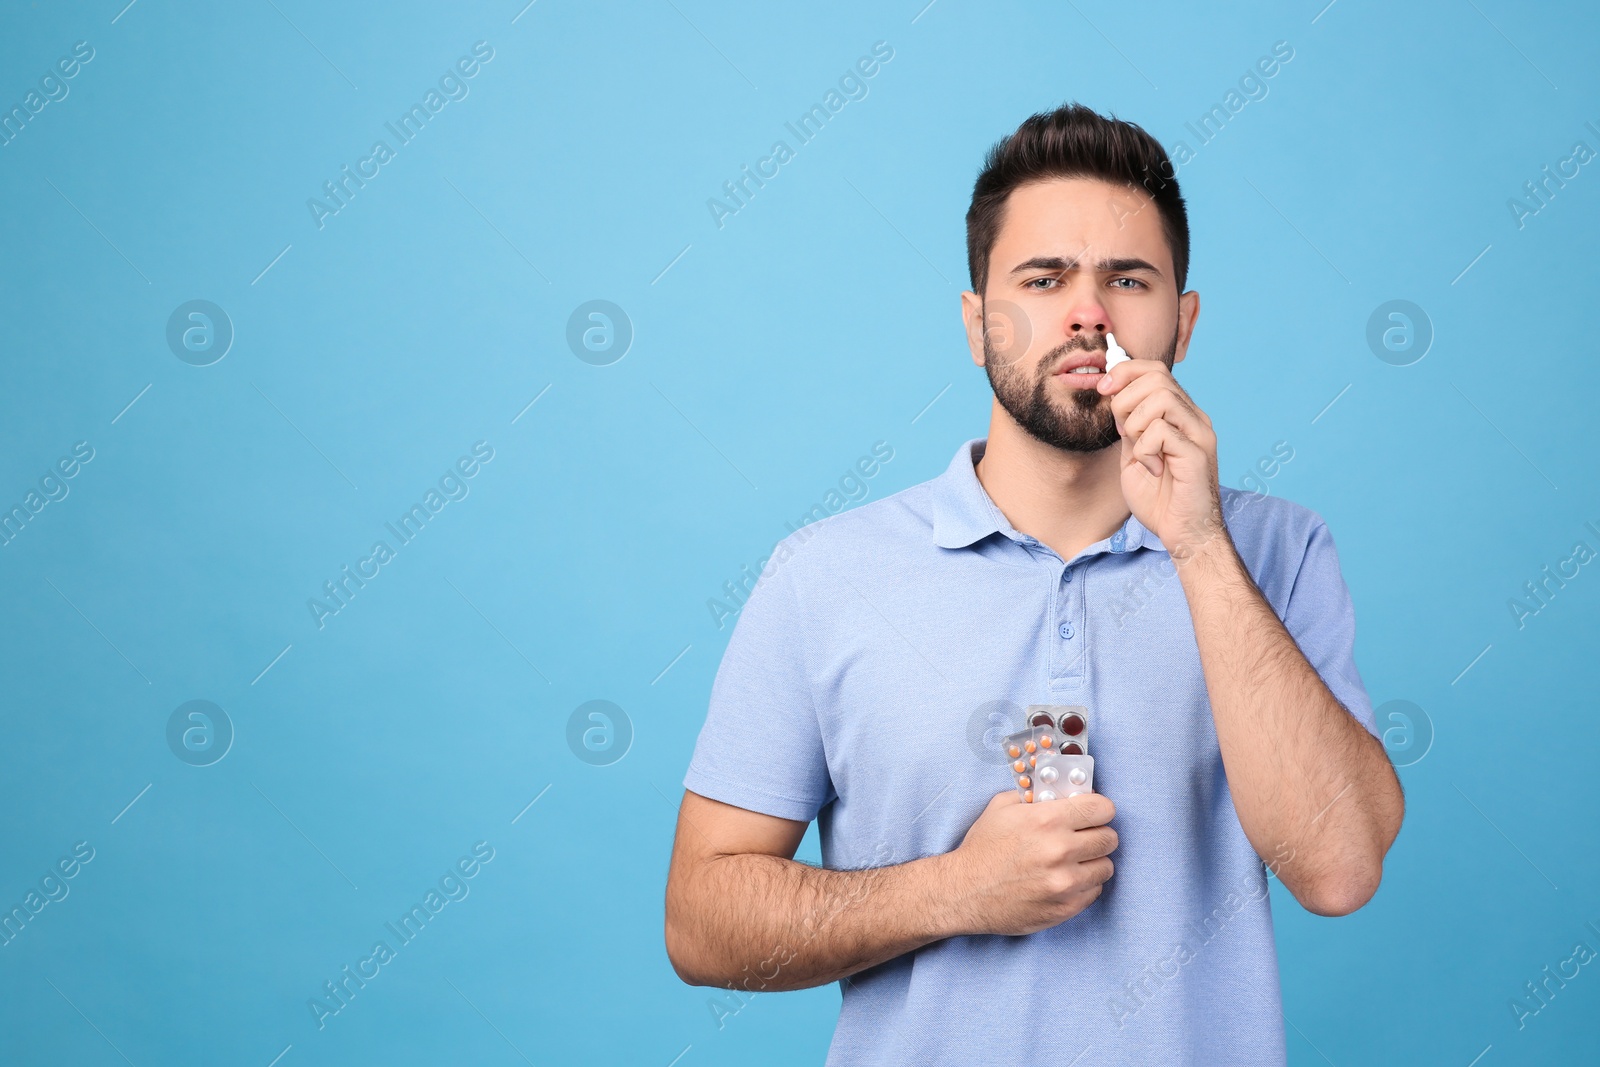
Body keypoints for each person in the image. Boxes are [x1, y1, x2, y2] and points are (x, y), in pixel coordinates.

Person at [664, 102, 1404, 1066]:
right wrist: (956, 890)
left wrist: (1197, 542)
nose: (1088, 311)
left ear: (1181, 320)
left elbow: (1340, 867)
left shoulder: (1278, 552)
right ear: (978, 324)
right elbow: (700, 921)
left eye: (1127, 279)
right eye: (1043, 278)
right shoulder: (825, 577)